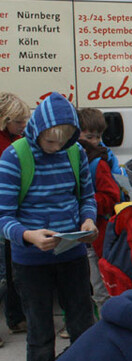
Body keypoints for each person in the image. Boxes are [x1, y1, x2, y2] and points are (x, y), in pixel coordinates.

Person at [0, 92, 98, 361]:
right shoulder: (14, 156)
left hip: (73, 255)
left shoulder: (75, 152)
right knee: (40, 334)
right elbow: (3, 217)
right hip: (31, 263)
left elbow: (86, 197)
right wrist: (28, 235)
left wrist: (88, 220)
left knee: (83, 327)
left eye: (63, 141)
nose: (56, 147)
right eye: (49, 141)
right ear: (35, 131)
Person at [76, 108, 120, 313]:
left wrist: (83, 202)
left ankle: (106, 325)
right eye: (89, 136)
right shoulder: (71, 158)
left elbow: (112, 197)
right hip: (76, 234)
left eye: (98, 136)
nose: (94, 141)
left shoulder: (98, 162)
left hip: (96, 235)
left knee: (100, 287)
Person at [0, 93, 29, 346]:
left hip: (10, 212)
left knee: (11, 271)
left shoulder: (16, 139)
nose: (23, 126)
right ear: (5, 119)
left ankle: (16, 318)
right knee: (1, 273)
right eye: (19, 121)